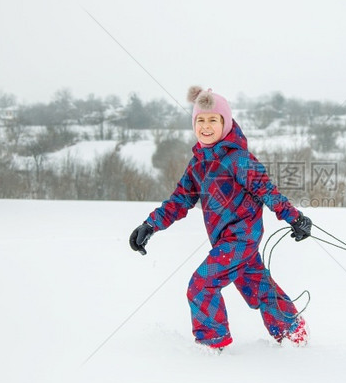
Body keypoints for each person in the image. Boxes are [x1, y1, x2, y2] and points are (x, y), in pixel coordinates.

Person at [129, 86, 313, 350]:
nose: (206, 126)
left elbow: (267, 191)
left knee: (201, 285)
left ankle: (212, 347)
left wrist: (294, 218)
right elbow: (180, 199)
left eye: (213, 120)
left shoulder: (238, 160)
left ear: (225, 123)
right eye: (200, 120)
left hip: (241, 239)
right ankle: (293, 333)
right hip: (227, 241)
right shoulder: (198, 164)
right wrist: (150, 225)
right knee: (259, 287)